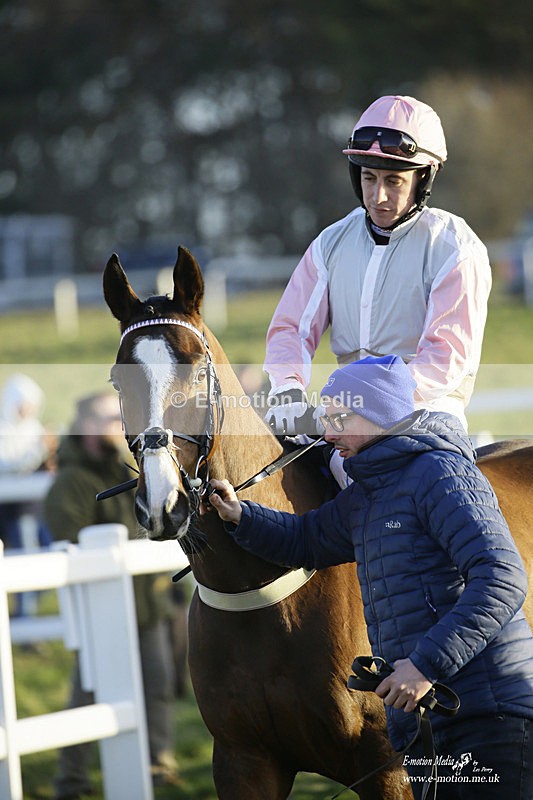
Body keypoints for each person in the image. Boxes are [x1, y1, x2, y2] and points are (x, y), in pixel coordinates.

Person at [205, 355, 533, 799]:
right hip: (425, 718)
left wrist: (424, 666)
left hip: (484, 712)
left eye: (341, 417)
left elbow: (502, 577)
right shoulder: (369, 493)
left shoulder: (440, 474)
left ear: (379, 414)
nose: (328, 432)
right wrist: (239, 515)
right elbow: (306, 540)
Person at [264, 95, 492, 439]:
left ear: (423, 180)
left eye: (394, 181)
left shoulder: (456, 248)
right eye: (369, 178)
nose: (378, 196)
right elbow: (291, 329)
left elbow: (444, 360)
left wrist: (364, 403)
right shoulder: (331, 243)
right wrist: (288, 388)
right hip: (346, 418)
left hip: (425, 416)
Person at [44, 392, 181, 799]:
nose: (117, 427)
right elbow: (68, 537)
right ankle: (71, 779)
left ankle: (160, 765)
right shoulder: (72, 480)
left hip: (145, 604)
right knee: (87, 698)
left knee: (157, 686)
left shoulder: (127, 469)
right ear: (87, 424)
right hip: (101, 611)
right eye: (107, 418)